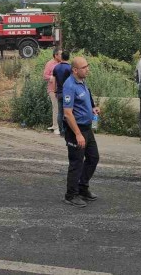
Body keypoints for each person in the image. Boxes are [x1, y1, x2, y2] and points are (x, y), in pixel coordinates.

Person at [62, 56, 100, 207]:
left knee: (93, 158)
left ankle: (82, 188)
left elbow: (84, 101)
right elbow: (68, 113)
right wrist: (78, 134)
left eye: (87, 66)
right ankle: (71, 195)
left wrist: (93, 108)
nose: (87, 69)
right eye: (84, 67)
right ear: (75, 70)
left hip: (87, 128)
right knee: (76, 163)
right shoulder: (69, 85)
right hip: (76, 131)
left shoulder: (82, 81)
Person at [52, 50, 73, 135]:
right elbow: (72, 81)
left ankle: (61, 131)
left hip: (59, 93)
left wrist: (55, 91)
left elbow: (54, 81)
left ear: (61, 57)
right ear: (68, 57)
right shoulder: (70, 68)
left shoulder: (56, 68)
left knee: (60, 112)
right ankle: (68, 130)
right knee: (69, 112)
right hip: (68, 94)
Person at [43, 49, 62, 135]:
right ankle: (55, 127)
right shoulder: (50, 63)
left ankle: (62, 126)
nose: (62, 56)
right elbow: (45, 76)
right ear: (56, 55)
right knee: (56, 107)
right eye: (60, 54)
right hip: (52, 89)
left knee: (63, 108)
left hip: (62, 89)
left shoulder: (62, 63)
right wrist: (52, 78)